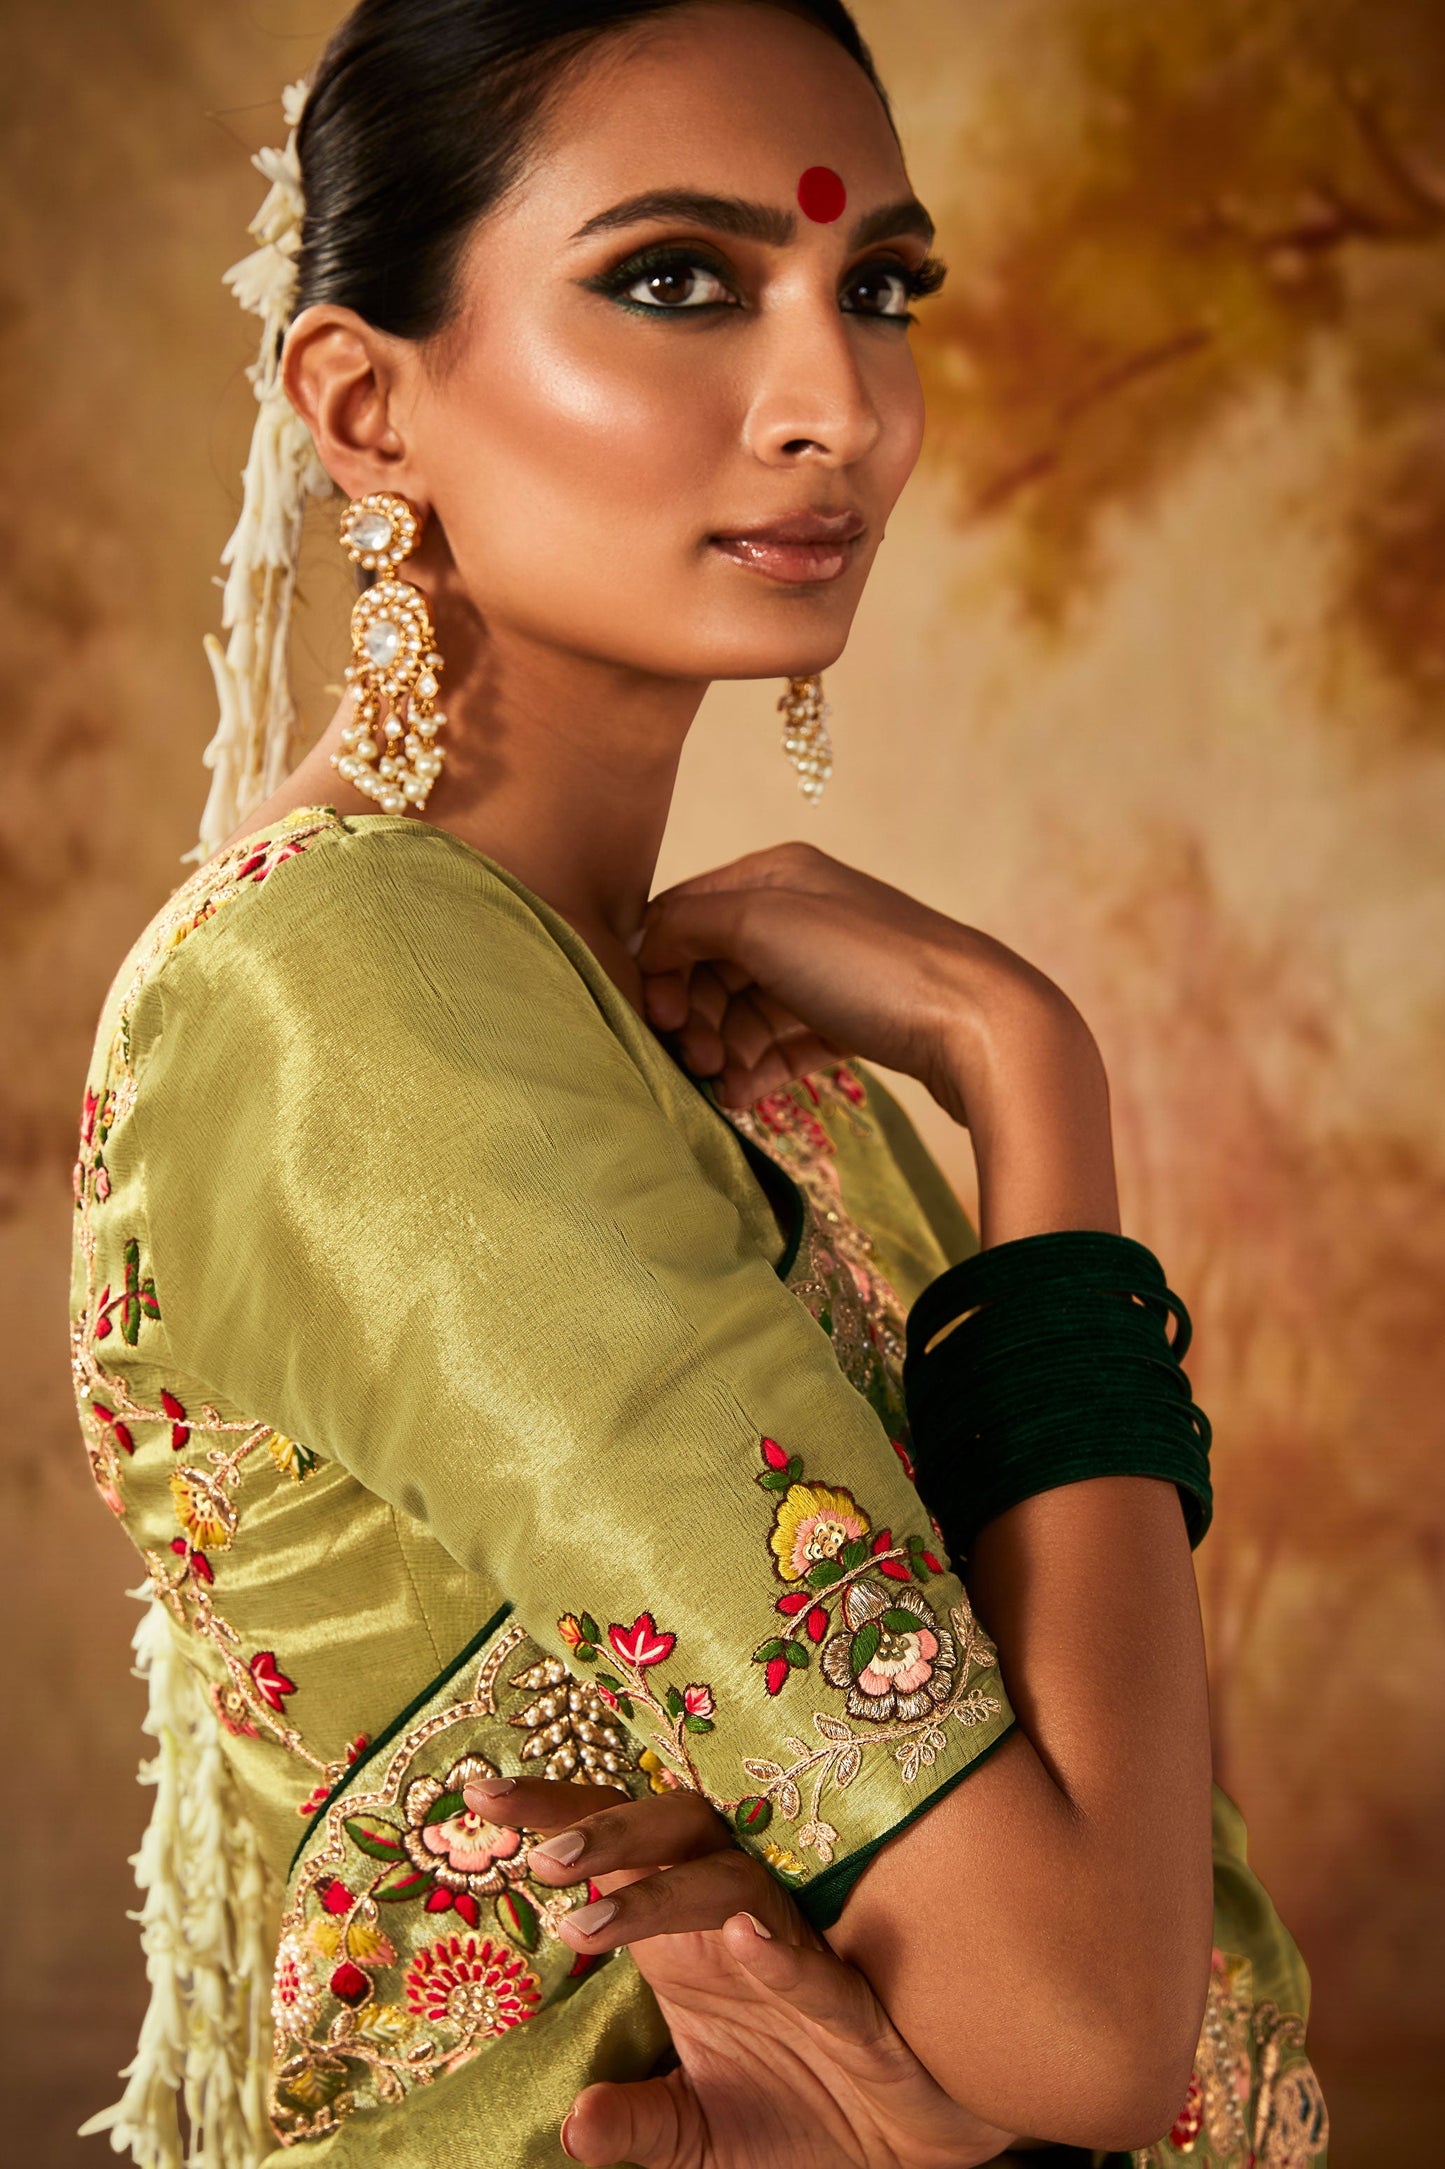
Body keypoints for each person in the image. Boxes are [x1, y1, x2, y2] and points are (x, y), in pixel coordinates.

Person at [69, 4, 1328, 2164]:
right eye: (678, 278)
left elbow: (1144, 1931)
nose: (839, 402)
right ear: (364, 405)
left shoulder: (738, 1064)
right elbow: (1095, 2020)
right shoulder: (349, 995)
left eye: (879, 287)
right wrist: (1034, 1080)